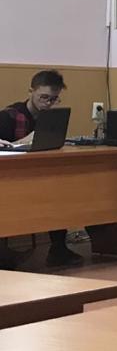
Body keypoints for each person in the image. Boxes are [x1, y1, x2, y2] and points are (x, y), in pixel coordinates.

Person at [0, 70, 80, 267]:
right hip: (10, 180)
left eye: (54, 99)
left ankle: (58, 249)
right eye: (44, 97)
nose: (48, 103)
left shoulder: (51, 118)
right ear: (31, 92)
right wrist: (21, 142)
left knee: (60, 193)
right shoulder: (9, 116)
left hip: (36, 177)